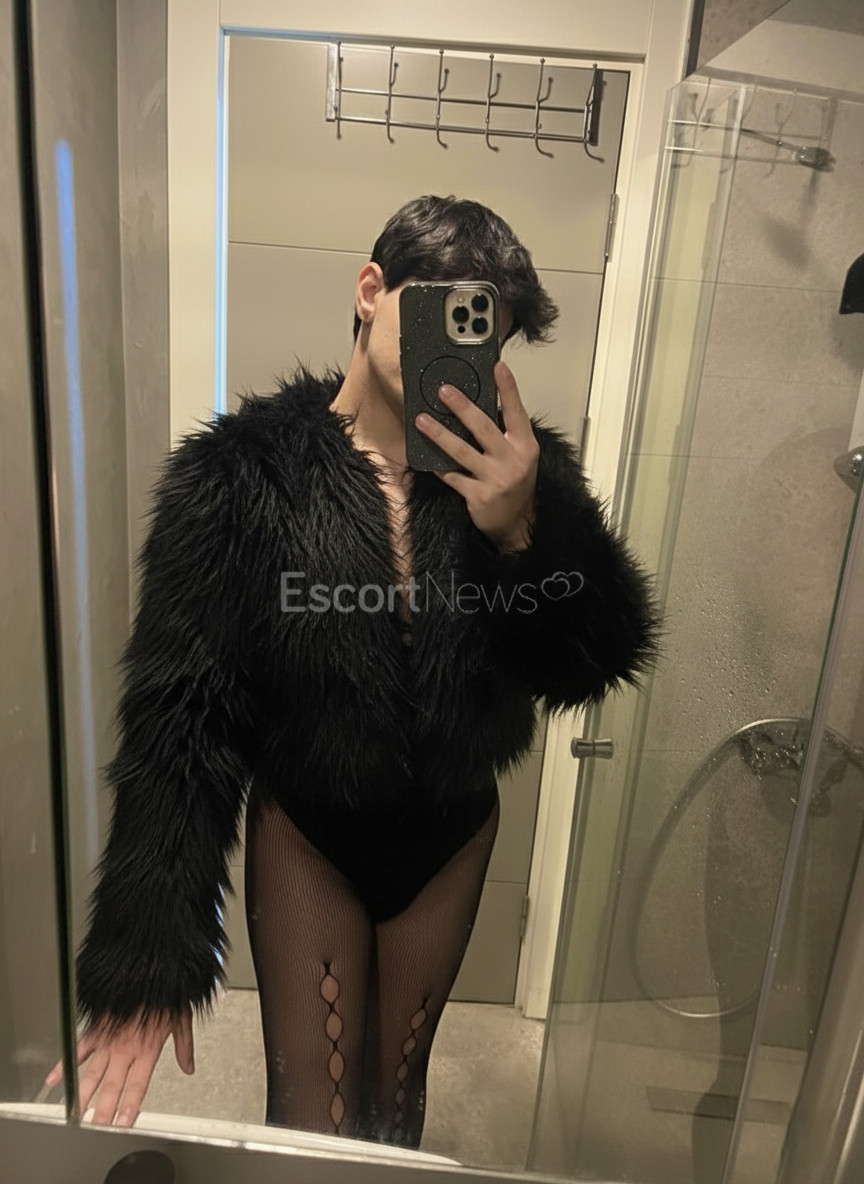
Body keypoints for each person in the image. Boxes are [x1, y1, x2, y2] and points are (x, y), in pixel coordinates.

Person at [45, 195, 659, 1147]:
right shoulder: (238, 479)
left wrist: (525, 534)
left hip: (452, 835)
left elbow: (597, 660)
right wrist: (147, 963)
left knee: (396, 1104)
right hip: (310, 832)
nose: (456, 346)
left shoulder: (525, 477)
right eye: (440, 311)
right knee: (314, 1120)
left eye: (481, 330)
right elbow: (182, 727)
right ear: (372, 290)